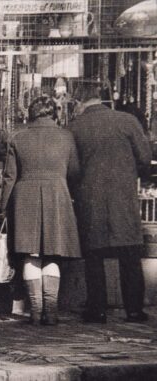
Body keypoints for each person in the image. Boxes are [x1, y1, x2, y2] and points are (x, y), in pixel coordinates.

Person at [69, 83, 152, 324]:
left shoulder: (75, 128)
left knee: (94, 257)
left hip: (89, 199)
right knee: (130, 255)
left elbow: (72, 169)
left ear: (79, 102)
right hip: (123, 198)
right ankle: (134, 309)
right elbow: (145, 158)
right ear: (101, 99)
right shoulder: (126, 121)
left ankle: (97, 309)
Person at [1, 95, 81, 326]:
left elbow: (9, 177)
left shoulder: (18, 137)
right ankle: (52, 312)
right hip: (57, 196)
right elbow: (75, 173)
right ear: (53, 113)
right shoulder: (66, 137)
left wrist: (3, 208)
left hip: (24, 198)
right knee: (52, 253)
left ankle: (35, 311)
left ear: (31, 114)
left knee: (30, 254)